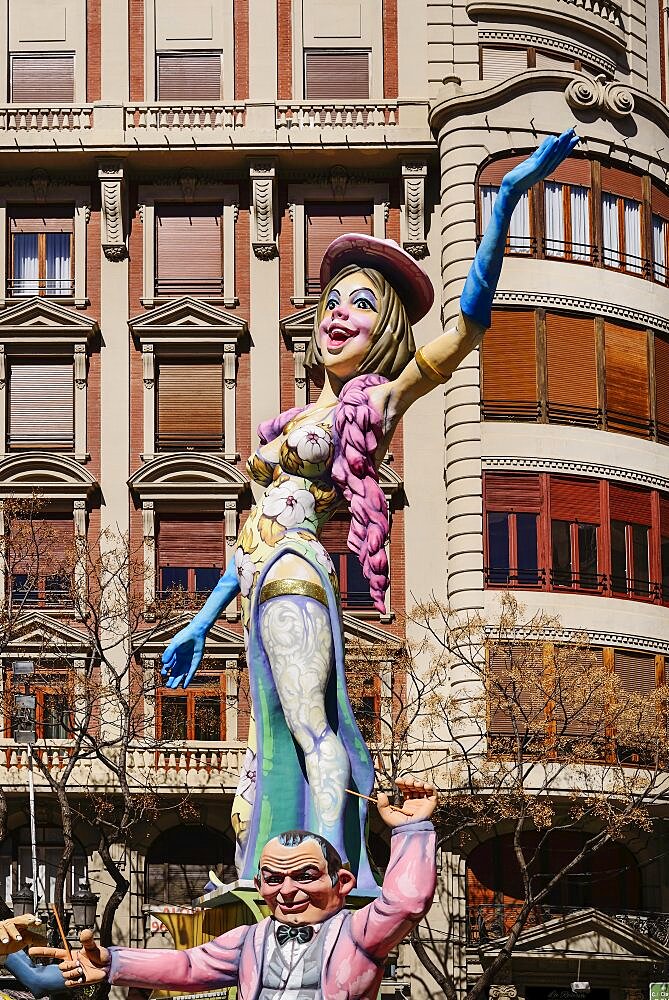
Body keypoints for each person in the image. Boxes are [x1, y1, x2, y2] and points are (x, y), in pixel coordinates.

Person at [159, 129, 580, 893]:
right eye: (330, 302)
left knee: (307, 725)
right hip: (260, 580)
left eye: (360, 303)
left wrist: (509, 197)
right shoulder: (289, 421)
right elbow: (250, 534)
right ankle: (275, 869)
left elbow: (465, 329)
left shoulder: (376, 402)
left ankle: (324, 868)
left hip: (293, 580)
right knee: (265, 743)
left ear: (383, 326)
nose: (338, 314)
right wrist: (197, 622)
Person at [30, 781, 437, 1000]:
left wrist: (412, 829)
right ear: (260, 887)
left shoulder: (357, 933)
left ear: (342, 884)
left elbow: (405, 902)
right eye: (274, 878)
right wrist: (114, 962)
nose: (289, 890)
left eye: (305, 876)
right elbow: (187, 967)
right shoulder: (249, 940)